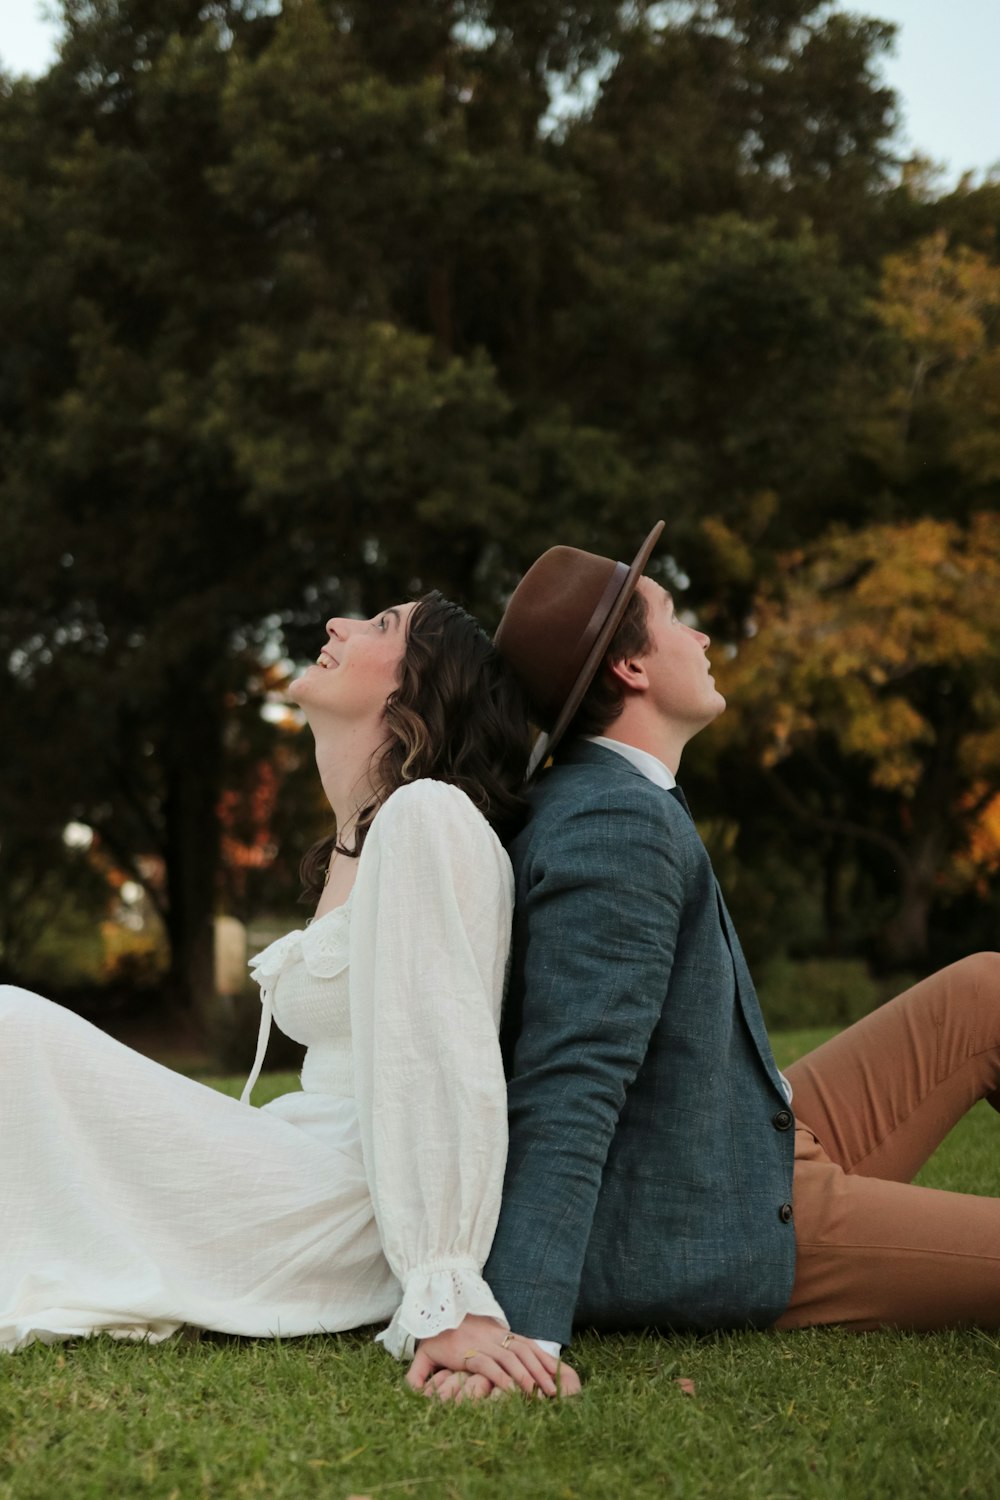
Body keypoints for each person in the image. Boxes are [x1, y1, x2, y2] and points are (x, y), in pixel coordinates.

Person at [408, 524, 1000, 1401]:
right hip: (712, 1215)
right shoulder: (614, 825)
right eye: (676, 618)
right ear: (632, 670)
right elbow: (572, 1079)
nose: (704, 638)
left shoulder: (610, 795)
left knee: (984, 988)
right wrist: (524, 1328)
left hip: (735, 1132)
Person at [0, 590, 560, 1395]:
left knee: (13, 1028)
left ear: (425, 686)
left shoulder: (431, 816)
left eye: (381, 625)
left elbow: (440, 1055)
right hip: (291, 1156)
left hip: (345, 1203)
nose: (336, 624)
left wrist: (446, 1286)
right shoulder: (355, 841)